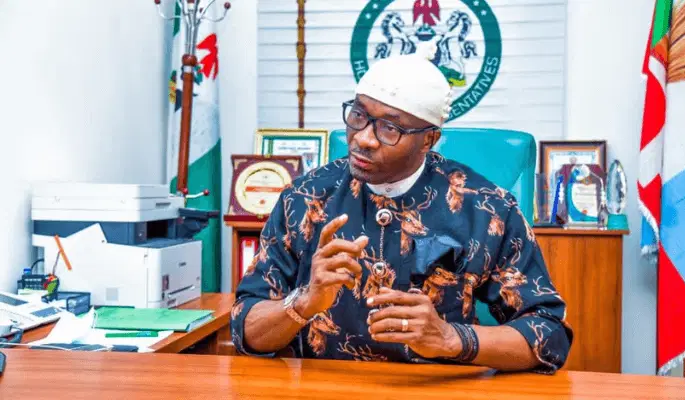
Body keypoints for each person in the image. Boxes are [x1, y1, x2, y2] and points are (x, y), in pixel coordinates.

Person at [230, 42, 573, 374]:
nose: (363, 138)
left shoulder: (485, 208)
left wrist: (451, 338)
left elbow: (549, 335)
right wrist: (304, 302)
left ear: (429, 140)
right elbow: (245, 328)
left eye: (389, 128)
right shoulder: (305, 198)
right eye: (358, 115)